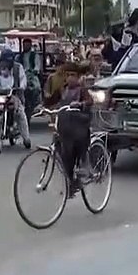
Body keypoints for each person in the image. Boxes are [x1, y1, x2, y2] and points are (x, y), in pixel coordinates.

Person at [42, 64, 93, 196]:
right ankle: (70, 182)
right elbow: (51, 100)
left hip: (78, 124)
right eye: (68, 75)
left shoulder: (82, 90)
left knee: (77, 146)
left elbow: (89, 101)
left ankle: (84, 165)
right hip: (64, 124)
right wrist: (43, 106)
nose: (70, 78)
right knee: (64, 154)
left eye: (73, 76)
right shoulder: (62, 90)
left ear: (78, 77)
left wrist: (80, 104)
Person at [0, 49, 31, 149]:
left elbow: (23, 80)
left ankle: (26, 138)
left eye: (8, 61)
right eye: (5, 60)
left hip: (14, 95)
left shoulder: (18, 68)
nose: (6, 63)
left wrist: (21, 87)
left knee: (20, 114)